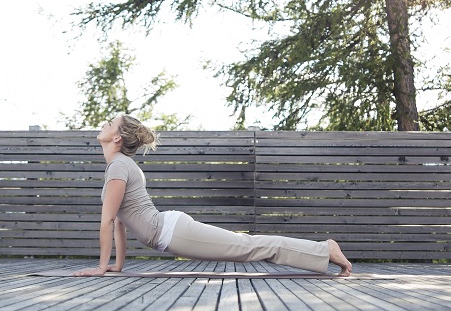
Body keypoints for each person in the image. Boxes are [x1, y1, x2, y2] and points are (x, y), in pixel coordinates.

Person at [72, 114, 352, 277]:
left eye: (109, 122)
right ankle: (321, 251)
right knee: (247, 247)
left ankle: (323, 250)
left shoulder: (119, 165)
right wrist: (116, 265)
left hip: (171, 231)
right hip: (170, 232)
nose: (104, 125)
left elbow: (107, 220)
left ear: (117, 137)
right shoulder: (118, 166)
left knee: (246, 247)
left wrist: (99, 268)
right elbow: (119, 221)